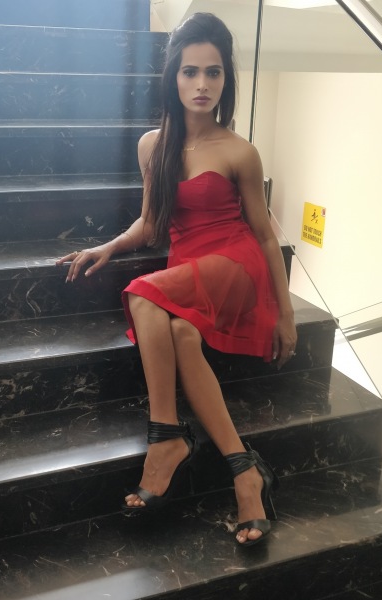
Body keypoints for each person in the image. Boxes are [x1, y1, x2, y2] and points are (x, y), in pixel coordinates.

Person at [56, 12, 297, 547]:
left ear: (226, 79)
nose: (202, 84)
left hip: (235, 263)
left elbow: (264, 236)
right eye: (191, 71)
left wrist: (285, 315)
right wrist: (108, 246)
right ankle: (245, 471)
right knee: (182, 334)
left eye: (214, 72)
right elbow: (151, 223)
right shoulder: (153, 145)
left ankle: (165, 437)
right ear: (173, 77)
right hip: (189, 265)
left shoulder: (239, 151)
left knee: (143, 295)